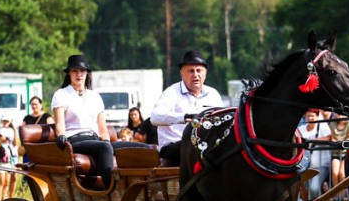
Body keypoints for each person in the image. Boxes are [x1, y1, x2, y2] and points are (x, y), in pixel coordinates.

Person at [52, 54, 146, 188]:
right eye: (75, 71)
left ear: (87, 74)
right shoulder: (61, 94)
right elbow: (59, 123)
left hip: (95, 141)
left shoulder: (94, 96)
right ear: (69, 74)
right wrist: (60, 135)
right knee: (105, 147)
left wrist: (107, 143)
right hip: (75, 141)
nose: (79, 74)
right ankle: (112, 192)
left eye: (82, 71)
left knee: (142, 148)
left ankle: (145, 188)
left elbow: (103, 128)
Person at [151, 50, 223, 164]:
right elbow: (155, 118)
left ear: (205, 73)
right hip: (173, 147)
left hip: (204, 144)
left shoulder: (213, 94)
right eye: (191, 71)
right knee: (199, 146)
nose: (196, 75)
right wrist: (183, 117)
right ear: (182, 74)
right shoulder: (171, 93)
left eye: (199, 70)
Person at [298, 108, 332, 201]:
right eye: (308, 116)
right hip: (306, 165)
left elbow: (329, 138)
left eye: (312, 116)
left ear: (317, 116)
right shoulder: (301, 128)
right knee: (308, 189)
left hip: (321, 164)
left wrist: (312, 141)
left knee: (314, 188)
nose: (310, 118)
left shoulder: (323, 127)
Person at [0, 115, 19, 201]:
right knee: (2, 181)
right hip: (2, 160)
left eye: (7, 121)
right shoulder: (0, 130)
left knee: (7, 181)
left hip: (9, 159)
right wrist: (1, 140)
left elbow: (16, 143)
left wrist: (14, 129)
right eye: (3, 121)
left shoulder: (12, 131)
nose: (5, 123)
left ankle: (5, 198)